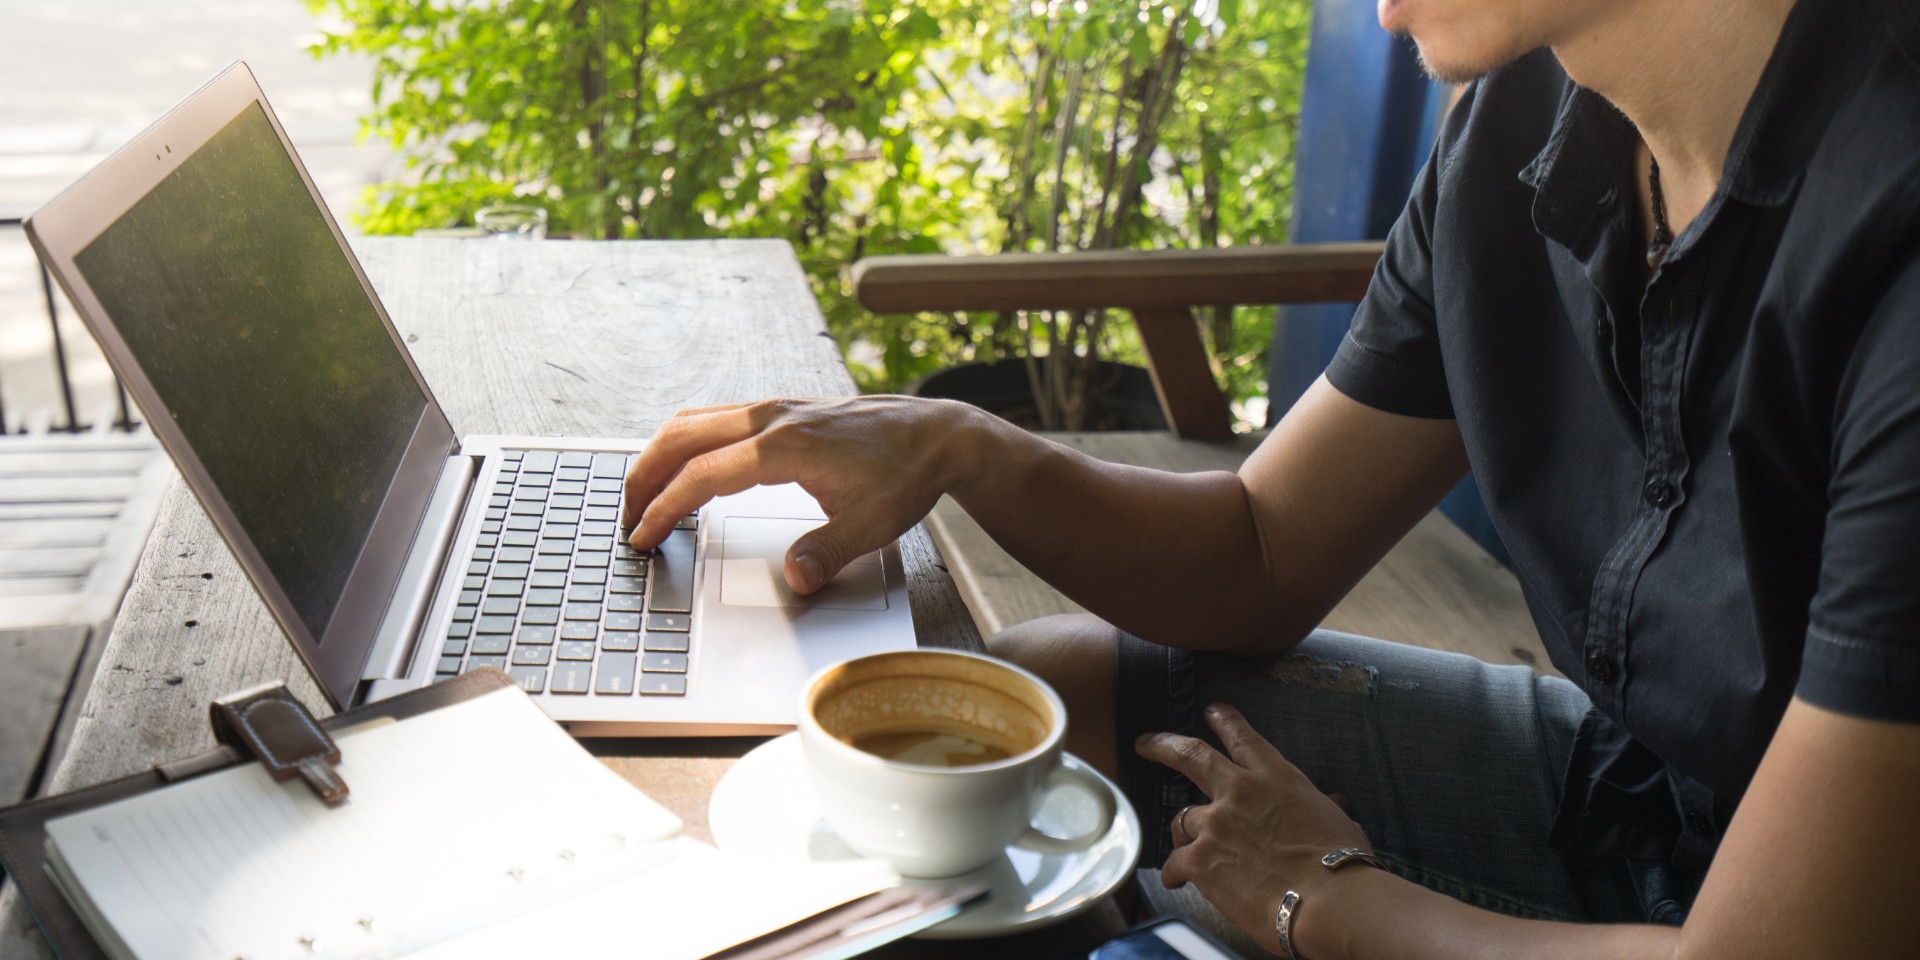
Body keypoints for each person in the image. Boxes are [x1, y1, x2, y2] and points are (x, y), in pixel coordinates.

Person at [622, 0, 1920, 953]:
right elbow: (1256, 554)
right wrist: (960, 444)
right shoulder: (1520, 126)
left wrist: (1322, 896)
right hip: (1645, 787)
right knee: (1049, 699)